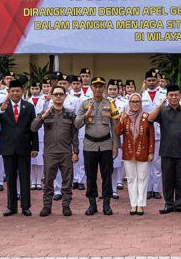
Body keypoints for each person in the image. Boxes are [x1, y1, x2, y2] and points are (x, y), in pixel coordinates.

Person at [0, 79, 39, 216]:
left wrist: (35, 147)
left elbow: (33, 128)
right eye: (13, 91)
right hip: (8, 147)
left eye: (18, 91)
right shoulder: (2, 106)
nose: (15, 93)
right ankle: (11, 206)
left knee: (25, 177)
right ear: (8, 92)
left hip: (24, 147)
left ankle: (26, 206)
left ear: (22, 92)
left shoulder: (28, 107)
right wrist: (0, 110)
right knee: (10, 178)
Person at [148, 84, 181, 214]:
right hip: (167, 150)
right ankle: (168, 203)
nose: (174, 97)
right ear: (167, 97)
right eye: (171, 95)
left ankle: (179, 203)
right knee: (167, 178)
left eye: (176, 95)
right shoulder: (162, 111)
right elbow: (150, 119)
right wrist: (159, 106)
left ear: (180, 96)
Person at [32, 85, 79, 216]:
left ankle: (66, 206)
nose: (58, 96)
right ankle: (47, 206)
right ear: (51, 96)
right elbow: (33, 127)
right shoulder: (46, 112)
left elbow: (74, 134)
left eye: (61, 94)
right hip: (50, 152)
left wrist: (76, 151)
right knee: (47, 181)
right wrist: (43, 116)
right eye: (56, 94)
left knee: (67, 181)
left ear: (65, 96)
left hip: (65, 152)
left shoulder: (70, 113)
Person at [76, 77, 120, 216]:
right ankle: (92, 204)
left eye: (101, 86)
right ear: (91, 88)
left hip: (106, 144)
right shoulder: (85, 104)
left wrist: (115, 146)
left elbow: (115, 127)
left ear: (104, 87)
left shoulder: (110, 104)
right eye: (95, 86)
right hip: (90, 145)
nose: (98, 89)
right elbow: (76, 124)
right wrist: (85, 115)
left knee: (107, 175)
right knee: (91, 176)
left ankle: (106, 204)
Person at [115, 93, 155, 215]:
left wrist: (151, 152)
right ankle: (133, 204)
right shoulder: (126, 117)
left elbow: (151, 136)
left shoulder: (146, 117)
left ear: (141, 103)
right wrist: (121, 119)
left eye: (137, 101)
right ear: (129, 103)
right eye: (133, 102)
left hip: (143, 152)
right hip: (128, 152)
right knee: (131, 179)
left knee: (142, 178)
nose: (135, 104)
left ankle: (141, 205)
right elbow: (117, 132)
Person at [141, 69, 166, 199]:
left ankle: (156, 189)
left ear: (158, 81)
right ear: (145, 82)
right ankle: (147, 189)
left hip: (159, 133)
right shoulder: (141, 96)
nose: (151, 82)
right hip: (144, 132)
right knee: (145, 162)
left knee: (157, 162)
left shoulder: (164, 94)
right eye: (149, 80)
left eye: (154, 80)